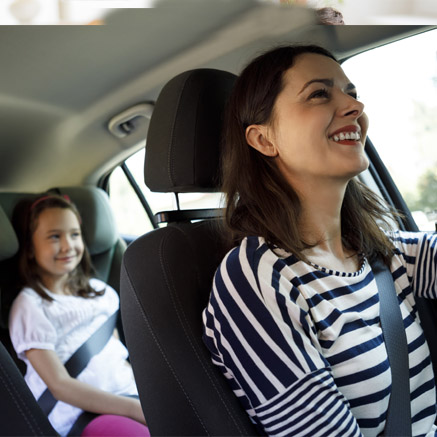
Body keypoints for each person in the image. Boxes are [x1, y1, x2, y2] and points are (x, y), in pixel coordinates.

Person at [202, 45, 437, 436]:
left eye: (351, 92)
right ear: (263, 140)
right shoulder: (257, 278)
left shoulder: (386, 252)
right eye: (319, 94)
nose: (354, 107)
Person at [8, 194, 150, 437]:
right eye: (54, 236)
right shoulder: (30, 306)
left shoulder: (100, 292)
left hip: (130, 394)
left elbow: (114, 353)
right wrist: (134, 409)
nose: (67, 245)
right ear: (30, 249)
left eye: (74, 234)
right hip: (80, 415)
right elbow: (60, 386)